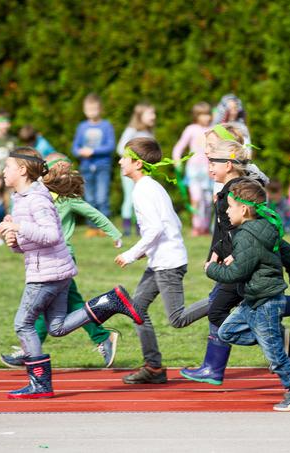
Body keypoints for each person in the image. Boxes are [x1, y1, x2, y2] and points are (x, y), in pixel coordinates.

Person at [181, 127, 290, 391]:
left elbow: (240, 231)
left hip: (242, 264)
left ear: (230, 164)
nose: (208, 164)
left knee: (225, 311)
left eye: (213, 161)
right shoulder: (233, 188)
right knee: (264, 314)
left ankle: (220, 367)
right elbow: (225, 230)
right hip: (236, 260)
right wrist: (216, 252)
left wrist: (228, 257)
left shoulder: (238, 192)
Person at [0, 147, 142, 398]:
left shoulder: (37, 198)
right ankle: (109, 301)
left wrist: (18, 226)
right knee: (57, 327)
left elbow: (52, 235)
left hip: (47, 275)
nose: (3, 171)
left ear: (21, 170)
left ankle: (40, 384)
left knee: (23, 324)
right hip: (53, 270)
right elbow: (34, 241)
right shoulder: (22, 197)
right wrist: (15, 242)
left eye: (7, 166)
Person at [207, 178, 290, 412]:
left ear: (244, 209)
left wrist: (212, 269)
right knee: (227, 331)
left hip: (265, 300)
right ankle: (273, 338)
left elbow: (238, 272)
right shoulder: (264, 227)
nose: (226, 210)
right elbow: (285, 250)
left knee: (275, 356)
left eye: (230, 206)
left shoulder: (245, 235)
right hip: (254, 298)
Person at [115, 137, 209, 384]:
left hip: (168, 264)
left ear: (136, 163)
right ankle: (153, 368)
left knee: (177, 319)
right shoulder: (150, 187)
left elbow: (155, 228)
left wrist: (131, 253)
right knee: (136, 309)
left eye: (124, 158)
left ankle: (223, 298)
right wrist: (150, 251)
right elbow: (172, 223)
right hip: (160, 261)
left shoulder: (144, 190)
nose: (120, 161)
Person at [72, 93, 115, 225]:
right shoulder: (82, 127)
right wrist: (80, 152)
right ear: (84, 110)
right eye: (89, 109)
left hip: (103, 165)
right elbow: (75, 147)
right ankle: (92, 227)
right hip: (86, 166)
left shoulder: (106, 126)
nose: (92, 112)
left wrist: (93, 151)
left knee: (102, 197)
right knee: (89, 198)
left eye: (95, 109)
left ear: (101, 109)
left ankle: (104, 226)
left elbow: (111, 146)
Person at [172, 101, 212, 236]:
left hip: (209, 171)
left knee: (207, 200)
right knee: (196, 198)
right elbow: (179, 147)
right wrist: (177, 160)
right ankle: (196, 226)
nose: (206, 117)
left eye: (208, 114)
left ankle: (205, 228)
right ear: (196, 116)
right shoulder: (191, 129)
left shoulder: (213, 129)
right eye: (202, 115)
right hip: (194, 170)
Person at [116, 102, 155, 236]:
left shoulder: (149, 132)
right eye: (150, 113)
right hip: (130, 173)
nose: (153, 116)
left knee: (144, 199)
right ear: (140, 116)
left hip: (144, 173)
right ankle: (127, 229)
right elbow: (121, 148)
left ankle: (140, 228)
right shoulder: (132, 131)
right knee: (130, 198)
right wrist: (135, 157)